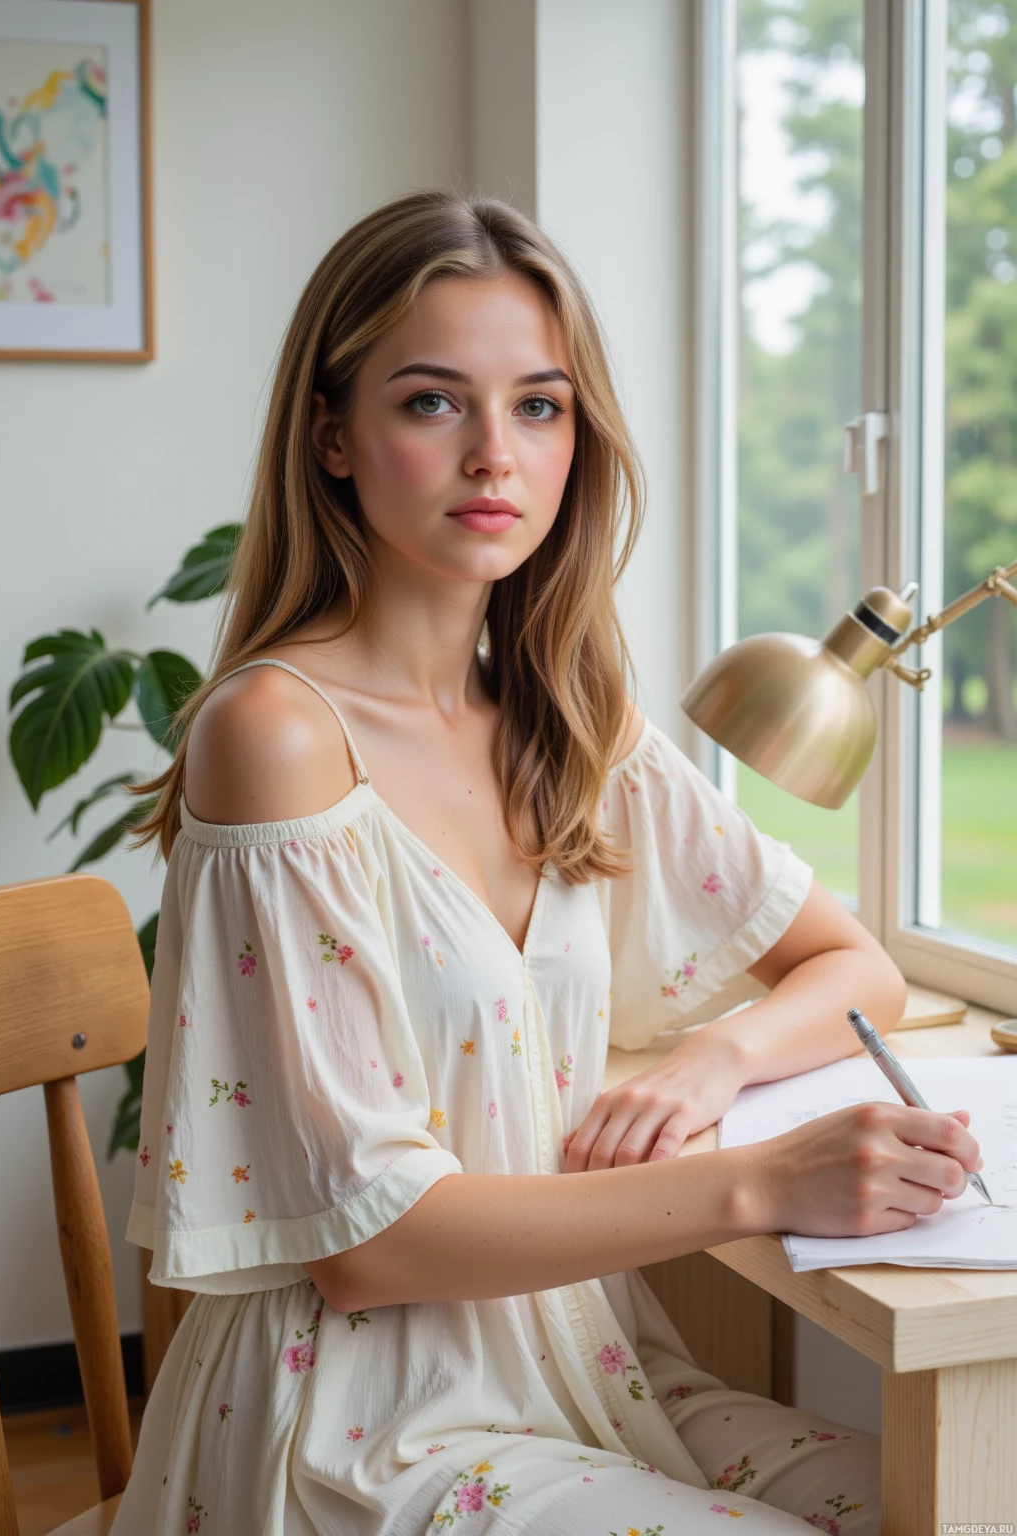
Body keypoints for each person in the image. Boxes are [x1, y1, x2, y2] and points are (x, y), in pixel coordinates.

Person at [115, 190, 983, 1535]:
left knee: (958, 1503)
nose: (493, 460)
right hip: (360, 1421)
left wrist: (719, 1060)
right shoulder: (275, 735)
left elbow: (847, 963)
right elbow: (368, 1245)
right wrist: (762, 1180)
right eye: (431, 403)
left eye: (538, 406)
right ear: (332, 436)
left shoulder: (571, 725)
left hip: (588, 1370)